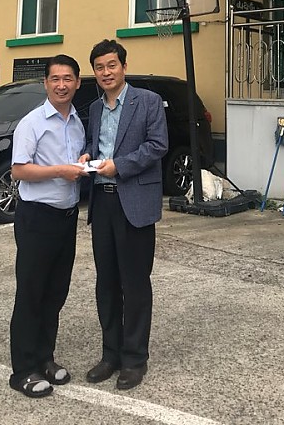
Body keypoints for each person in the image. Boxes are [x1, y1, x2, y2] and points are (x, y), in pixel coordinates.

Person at [82, 38, 168, 391]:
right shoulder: (94, 108)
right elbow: (96, 145)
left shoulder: (147, 101)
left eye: (111, 65)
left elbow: (157, 145)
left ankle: (134, 359)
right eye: (99, 67)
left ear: (123, 67)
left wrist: (120, 166)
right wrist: (87, 156)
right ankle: (110, 355)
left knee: (135, 283)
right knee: (106, 282)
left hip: (134, 202)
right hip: (101, 203)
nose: (106, 72)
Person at [8, 54, 87, 399]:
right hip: (37, 218)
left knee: (55, 293)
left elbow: (74, 163)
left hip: (66, 219)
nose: (61, 85)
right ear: (45, 83)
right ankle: (23, 370)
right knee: (31, 293)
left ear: (78, 83)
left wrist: (82, 163)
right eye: (55, 79)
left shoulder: (77, 123)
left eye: (68, 78)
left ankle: (45, 358)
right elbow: (19, 170)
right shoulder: (32, 123)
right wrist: (60, 171)